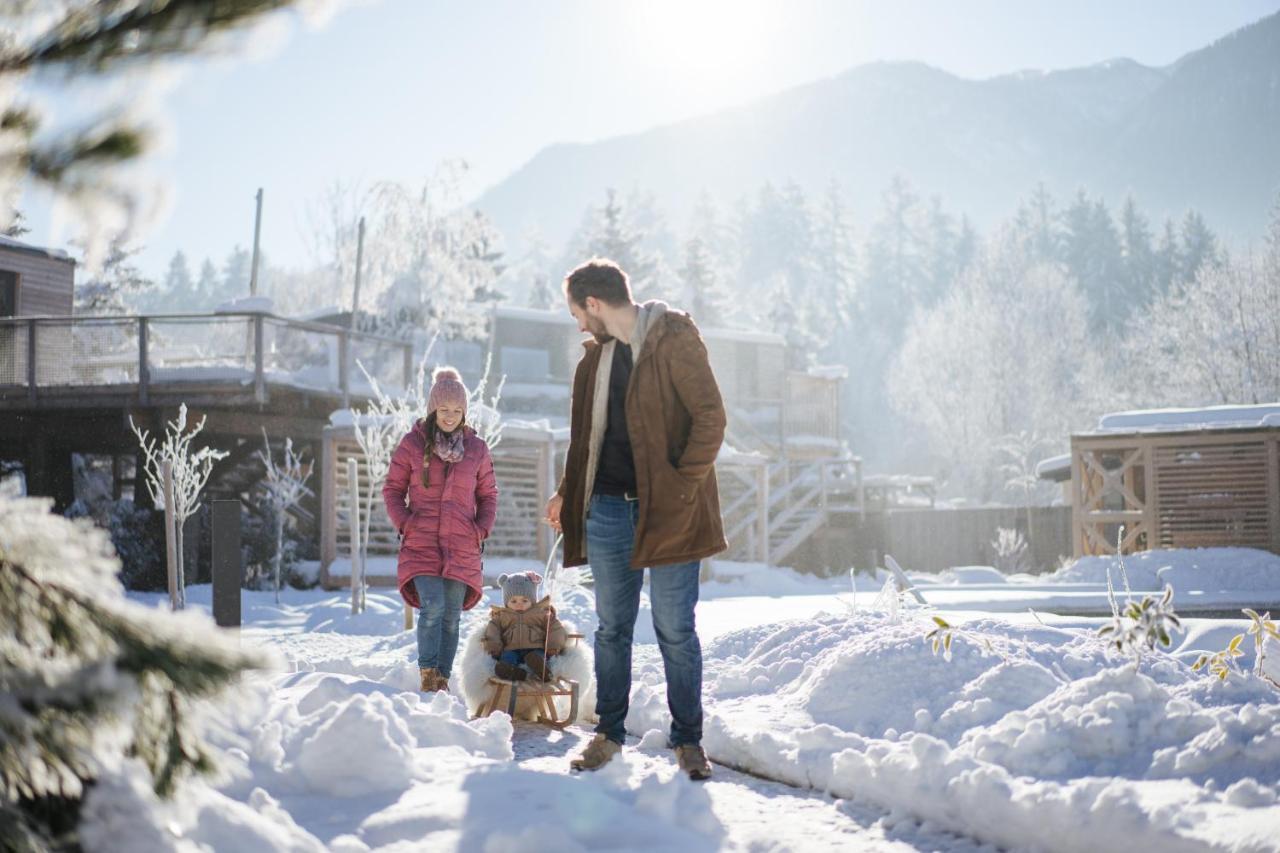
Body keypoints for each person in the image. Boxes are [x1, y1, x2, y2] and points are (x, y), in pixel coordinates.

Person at [545, 258, 726, 780]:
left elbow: (711, 418)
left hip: (669, 514)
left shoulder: (673, 339)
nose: (578, 323)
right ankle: (608, 734)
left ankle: (688, 740)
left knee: (675, 630)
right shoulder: (594, 362)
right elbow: (586, 440)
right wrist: (565, 492)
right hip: (604, 510)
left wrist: (681, 487)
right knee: (612, 630)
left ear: (596, 305)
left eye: (579, 312)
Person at [383, 366, 498, 693]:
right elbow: (392, 489)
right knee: (432, 607)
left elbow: (488, 494)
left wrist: (481, 529)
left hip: (462, 544)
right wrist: (405, 522)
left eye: (456, 410)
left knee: (451, 616)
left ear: (464, 412)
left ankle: (442, 678)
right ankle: (427, 672)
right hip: (422, 542)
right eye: (444, 410)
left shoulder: (477, 449)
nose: (449, 416)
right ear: (433, 409)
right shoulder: (412, 444)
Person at [482, 571, 568, 681]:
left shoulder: (541, 613)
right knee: (507, 658)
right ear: (506, 602)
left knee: (538, 657)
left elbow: (555, 628)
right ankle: (511, 671)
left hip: (535, 648)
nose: (519, 604)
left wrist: (553, 646)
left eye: (525, 600)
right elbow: (492, 632)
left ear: (532, 601)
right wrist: (494, 648)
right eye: (513, 601)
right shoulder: (502, 616)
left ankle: (543, 671)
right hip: (511, 649)